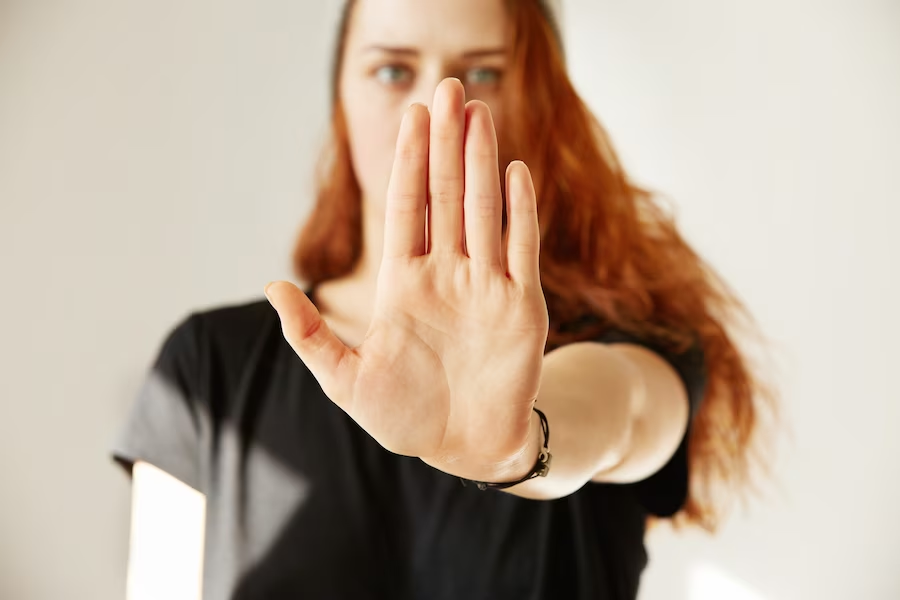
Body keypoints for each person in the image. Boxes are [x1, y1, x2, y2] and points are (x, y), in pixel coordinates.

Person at [111, 0, 771, 598]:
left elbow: (620, 411)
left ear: (542, 101)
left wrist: (517, 447)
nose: (433, 109)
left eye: (483, 74)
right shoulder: (206, 370)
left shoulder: (636, 341)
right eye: (393, 71)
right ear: (339, 96)